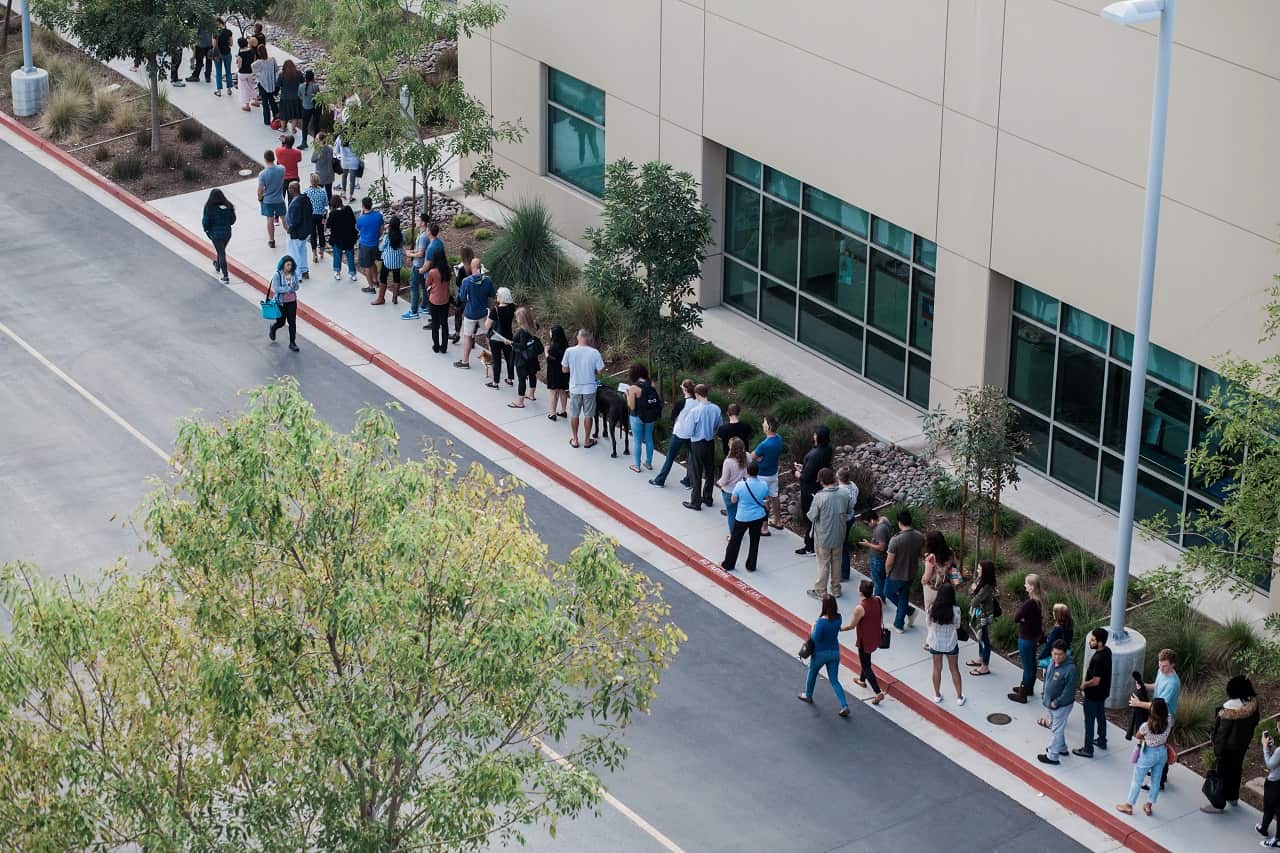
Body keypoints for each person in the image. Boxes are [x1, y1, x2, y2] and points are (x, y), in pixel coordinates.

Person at [1201, 675, 1259, 813]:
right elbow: (1254, 723)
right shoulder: (1252, 705)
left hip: (1227, 749)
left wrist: (1217, 750)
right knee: (1236, 771)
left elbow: (1221, 734)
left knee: (1222, 775)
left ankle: (1218, 805)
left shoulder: (1228, 710)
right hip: (1242, 746)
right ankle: (1233, 798)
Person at [1130, 647, 1181, 794]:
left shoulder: (1173, 683)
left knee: (1161, 748)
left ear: (1173, 665)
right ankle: (1156, 775)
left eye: (1165, 666)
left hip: (1165, 718)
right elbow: (1157, 686)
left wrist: (1138, 703)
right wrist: (1145, 686)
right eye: (1160, 665)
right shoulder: (1162, 671)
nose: (1161, 668)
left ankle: (1160, 781)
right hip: (1156, 714)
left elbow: (1160, 706)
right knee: (1156, 746)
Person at [797, 594, 849, 717]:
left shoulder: (821, 622)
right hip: (834, 652)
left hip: (820, 653)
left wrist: (812, 628)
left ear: (824, 606)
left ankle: (808, 695)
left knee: (812, 672)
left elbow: (815, 638)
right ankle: (844, 705)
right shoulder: (839, 618)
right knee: (834, 680)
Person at [1117, 698, 1170, 816]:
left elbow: (1138, 735)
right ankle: (1148, 805)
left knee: (1137, 780)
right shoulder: (1169, 720)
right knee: (1156, 780)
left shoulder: (1146, 726)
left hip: (1149, 753)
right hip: (1162, 752)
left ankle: (1129, 805)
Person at [805, 468, 851, 599]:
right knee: (837, 562)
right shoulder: (844, 493)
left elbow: (811, 516)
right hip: (839, 535)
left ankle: (820, 591)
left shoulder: (820, 497)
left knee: (823, 564)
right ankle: (836, 590)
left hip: (823, 537)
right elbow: (848, 510)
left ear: (821, 481)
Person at [841, 580, 886, 705]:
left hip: (864, 639)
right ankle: (862, 680)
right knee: (866, 659)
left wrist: (839, 628)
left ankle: (878, 692)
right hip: (875, 635)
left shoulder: (860, 608)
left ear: (860, 592)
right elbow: (880, 616)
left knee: (866, 665)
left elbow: (851, 626)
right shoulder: (878, 600)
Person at [720, 462, 768, 573]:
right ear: (757, 472)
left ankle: (728, 564)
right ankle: (751, 565)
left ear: (747, 472)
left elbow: (733, 500)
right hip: (758, 516)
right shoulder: (764, 485)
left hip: (743, 517)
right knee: (754, 541)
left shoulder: (741, 485)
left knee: (735, 541)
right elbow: (765, 500)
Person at [561, 329, 605, 448]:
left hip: (575, 388)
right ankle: (586, 440)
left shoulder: (569, 351)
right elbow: (600, 371)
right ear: (588, 338)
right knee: (588, 415)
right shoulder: (594, 352)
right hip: (589, 388)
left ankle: (575, 439)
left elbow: (564, 369)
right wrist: (592, 371)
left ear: (578, 338)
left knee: (574, 414)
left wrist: (574, 370)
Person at [1071, 628, 1112, 758]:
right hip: (1103, 693)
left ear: (1100, 643)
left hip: (1093, 695)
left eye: (1093, 640)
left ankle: (1088, 749)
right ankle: (1101, 740)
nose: (1090, 641)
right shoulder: (1107, 651)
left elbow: (1096, 680)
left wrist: (1084, 684)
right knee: (1101, 716)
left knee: (1089, 722)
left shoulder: (1098, 659)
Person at [793, 425, 833, 554]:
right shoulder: (827, 450)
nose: (813, 435)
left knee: (810, 517)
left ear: (818, 437)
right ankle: (814, 542)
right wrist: (805, 467)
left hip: (809, 489)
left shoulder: (815, 454)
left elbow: (806, 476)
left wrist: (799, 473)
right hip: (820, 486)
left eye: (815, 434)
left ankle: (810, 545)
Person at [1008, 574, 1048, 704]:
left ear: (1031, 587)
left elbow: (1016, 618)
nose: (1024, 586)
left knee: (1027, 667)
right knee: (1031, 664)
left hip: (1026, 638)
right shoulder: (1040, 600)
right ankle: (1028, 688)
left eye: (1026, 584)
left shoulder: (1030, 603)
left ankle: (1023, 694)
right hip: (1035, 637)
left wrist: (1023, 620)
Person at [1035, 641, 1076, 765]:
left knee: (1056, 730)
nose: (1057, 657)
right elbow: (1047, 679)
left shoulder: (1070, 669)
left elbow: (1069, 691)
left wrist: (1056, 702)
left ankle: (1052, 756)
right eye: (1055, 654)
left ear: (1065, 654)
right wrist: (1045, 695)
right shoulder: (1052, 662)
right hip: (1050, 702)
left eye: (1060, 654)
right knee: (1057, 727)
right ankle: (1062, 748)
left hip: (1061, 705)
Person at [682, 385, 722, 511]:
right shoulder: (716, 409)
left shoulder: (695, 411)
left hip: (698, 444)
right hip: (710, 443)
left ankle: (696, 501)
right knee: (710, 471)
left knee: (696, 472)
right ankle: (708, 498)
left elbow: (689, 431)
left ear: (697, 394)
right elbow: (719, 426)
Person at [884, 509, 924, 632]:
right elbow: (922, 554)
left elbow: (889, 562)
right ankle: (899, 623)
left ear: (899, 522)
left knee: (888, 592)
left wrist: (887, 572)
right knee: (903, 596)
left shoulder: (895, 540)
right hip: (911, 573)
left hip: (896, 575)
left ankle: (909, 612)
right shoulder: (919, 536)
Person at [650, 380, 695, 488]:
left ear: (684, 389)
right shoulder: (698, 402)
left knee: (670, 457)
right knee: (692, 458)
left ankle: (660, 480)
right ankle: (688, 480)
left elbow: (672, 416)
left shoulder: (681, 403)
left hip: (679, 433)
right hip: (692, 434)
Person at [454, 258, 495, 369]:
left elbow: (462, 297)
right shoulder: (488, 280)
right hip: (483, 313)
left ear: (472, 268)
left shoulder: (466, 281)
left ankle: (465, 362)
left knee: (467, 337)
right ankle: (493, 359)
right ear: (480, 267)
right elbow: (492, 294)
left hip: (470, 313)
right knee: (488, 335)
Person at [750, 416, 784, 534]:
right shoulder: (779, 439)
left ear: (768, 427)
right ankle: (777, 521)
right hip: (773, 473)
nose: (762, 424)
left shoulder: (764, 445)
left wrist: (759, 459)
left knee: (764, 500)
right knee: (774, 497)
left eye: (764, 423)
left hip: (762, 475)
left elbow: (752, 457)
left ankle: (764, 527)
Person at [626, 363, 662, 473]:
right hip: (651, 416)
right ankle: (648, 463)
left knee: (637, 441)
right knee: (649, 438)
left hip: (637, 417)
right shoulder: (651, 383)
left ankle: (636, 465)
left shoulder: (633, 388)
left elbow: (632, 406)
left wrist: (627, 394)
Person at [966, 559, 998, 676]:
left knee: (984, 639)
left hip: (983, 615)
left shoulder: (987, 586)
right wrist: (973, 590)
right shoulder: (980, 580)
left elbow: (975, 601)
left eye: (980, 569)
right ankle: (981, 658)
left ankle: (985, 666)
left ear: (986, 571)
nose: (978, 570)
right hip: (978, 613)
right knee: (980, 637)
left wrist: (974, 590)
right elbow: (970, 591)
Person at [201, 188, 235, 284]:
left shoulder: (209, 208)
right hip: (227, 233)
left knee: (221, 253)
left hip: (215, 234)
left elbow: (205, 221)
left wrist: (206, 230)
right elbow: (232, 220)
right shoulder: (229, 206)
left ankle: (225, 276)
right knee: (221, 250)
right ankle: (218, 265)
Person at [267, 255, 301, 352]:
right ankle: (273, 328)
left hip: (292, 302)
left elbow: (297, 287)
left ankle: (292, 343)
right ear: (283, 265)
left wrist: (294, 286)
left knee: (292, 322)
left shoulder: (294, 274)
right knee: (281, 322)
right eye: (287, 265)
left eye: (291, 265)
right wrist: (288, 288)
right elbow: (277, 289)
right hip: (281, 303)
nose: (289, 267)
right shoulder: (278, 275)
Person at [484, 287, 516, 387]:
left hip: (496, 338)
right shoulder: (512, 308)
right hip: (508, 337)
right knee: (509, 358)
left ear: (502, 297)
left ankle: (495, 382)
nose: (496, 295)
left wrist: (489, 314)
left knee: (496, 360)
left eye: (498, 294)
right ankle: (510, 379)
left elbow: (487, 326)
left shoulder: (495, 310)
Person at [509, 306, 542, 405]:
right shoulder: (533, 327)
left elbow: (522, 346)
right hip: (532, 357)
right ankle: (531, 394)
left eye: (517, 317)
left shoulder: (522, 331)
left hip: (522, 359)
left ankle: (520, 401)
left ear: (521, 319)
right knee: (532, 374)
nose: (516, 319)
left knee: (522, 379)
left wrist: (511, 343)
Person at [715, 437, 748, 535]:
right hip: (741, 490)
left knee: (731, 514)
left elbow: (724, 480)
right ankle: (740, 532)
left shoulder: (728, 462)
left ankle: (733, 536)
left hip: (729, 492)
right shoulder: (746, 456)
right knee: (739, 513)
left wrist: (718, 483)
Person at [403, 211, 432, 321]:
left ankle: (414, 311)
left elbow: (421, 253)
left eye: (418, 220)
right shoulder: (422, 234)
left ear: (423, 223)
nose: (416, 222)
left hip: (418, 266)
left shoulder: (423, 236)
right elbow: (420, 250)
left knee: (414, 287)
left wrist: (410, 254)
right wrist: (413, 251)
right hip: (421, 265)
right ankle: (424, 306)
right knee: (423, 286)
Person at [921, 530, 956, 617]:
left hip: (933, 589)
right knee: (946, 614)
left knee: (931, 614)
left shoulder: (931, 558)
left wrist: (922, 581)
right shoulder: (950, 553)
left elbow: (927, 577)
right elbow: (954, 569)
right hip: (947, 588)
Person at [451, 246, 481, 344]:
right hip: (475, 296)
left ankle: (457, 334)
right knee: (474, 317)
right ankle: (472, 337)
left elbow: (458, 283)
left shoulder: (462, 269)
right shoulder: (477, 267)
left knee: (458, 313)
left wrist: (456, 275)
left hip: (463, 295)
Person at [256, 150, 286, 249]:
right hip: (279, 199)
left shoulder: (262, 174)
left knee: (270, 219)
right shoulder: (282, 169)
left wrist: (260, 198)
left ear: (265, 159)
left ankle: (272, 240)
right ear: (274, 158)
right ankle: (290, 233)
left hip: (268, 200)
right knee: (284, 217)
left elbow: (260, 190)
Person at [283, 181, 313, 280]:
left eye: (289, 188)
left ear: (293, 190)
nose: (288, 190)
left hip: (296, 233)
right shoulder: (306, 199)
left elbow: (296, 220)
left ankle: (297, 275)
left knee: (294, 253)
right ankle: (305, 271)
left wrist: (290, 228)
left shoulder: (296, 204)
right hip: (304, 232)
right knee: (302, 251)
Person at [859, 509, 891, 598]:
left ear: (872, 520)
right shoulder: (884, 523)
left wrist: (868, 544)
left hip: (878, 559)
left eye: (867, 523)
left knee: (878, 582)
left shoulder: (879, 529)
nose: (867, 526)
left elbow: (882, 547)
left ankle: (879, 600)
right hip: (880, 558)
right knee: (881, 580)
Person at [425, 254, 453, 354]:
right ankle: (444, 347)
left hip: (434, 300)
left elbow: (427, 284)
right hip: (445, 299)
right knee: (444, 324)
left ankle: (436, 346)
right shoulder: (448, 270)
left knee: (435, 325)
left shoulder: (432, 272)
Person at [373, 215, 405, 305]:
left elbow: (381, 247)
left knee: (383, 278)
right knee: (396, 277)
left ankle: (381, 298)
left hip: (387, 260)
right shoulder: (402, 234)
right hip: (397, 260)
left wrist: (384, 233)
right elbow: (403, 244)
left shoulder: (387, 236)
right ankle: (395, 298)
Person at [355, 197, 384, 295]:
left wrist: (362, 214)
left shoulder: (361, 219)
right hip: (375, 243)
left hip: (365, 245)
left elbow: (357, 228)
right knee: (373, 262)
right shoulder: (378, 216)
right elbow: (381, 230)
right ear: (371, 204)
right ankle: (376, 280)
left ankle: (371, 287)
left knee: (367, 266)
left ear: (363, 206)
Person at [836, 467, 859, 581]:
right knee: (843, 544)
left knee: (841, 546)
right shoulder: (853, 486)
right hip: (851, 517)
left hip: (842, 520)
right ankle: (843, 570)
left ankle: (843, 573)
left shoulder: (841, 491)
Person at [327, 195, 357, 281]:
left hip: (337, 238)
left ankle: (337, 272)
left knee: (337, 255)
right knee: (350, 256)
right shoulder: (348, 209)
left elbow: (328, 225)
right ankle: (352, 273)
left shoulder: (333, 214)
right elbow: (353, 220)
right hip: (349, 237)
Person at [544, 325, 570, 420]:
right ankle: (563, 410)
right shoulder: (566, 346)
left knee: (553, 392)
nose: (549, 333)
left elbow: (551, 360)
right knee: (563, 391)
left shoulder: (554, 346)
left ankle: (552, 413)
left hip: (554, 372)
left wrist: (546, 351)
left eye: (551, 332)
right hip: (564, 372)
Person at [1258, 731, 1280, 846]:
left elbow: (1270, 765)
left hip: (1275, 783)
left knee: (1269, 807)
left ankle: (1277, 839)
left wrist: (1265, 747)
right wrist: (1274, 748)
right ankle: (1263, 828)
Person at [1038, 603, 1074, 669]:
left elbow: (1049, 644)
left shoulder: (1057, 629)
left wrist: (1041, 656)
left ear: (1059, 615)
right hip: (1064, 652)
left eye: (1054, 611)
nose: (1053, 613)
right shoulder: (1069, 626)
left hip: (1054, 655)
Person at [304, 174, 329, 263]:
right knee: (321, 233)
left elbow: (304, 205)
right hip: (320, 215)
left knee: (313, 234)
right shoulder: (323, 191)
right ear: (318, 181)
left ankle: (314, 254)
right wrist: (325, 216)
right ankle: (321, 251)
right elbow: (326, 205)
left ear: (311, 181)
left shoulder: (307, 192)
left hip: (311, 216)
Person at [252, 44, 278, 126]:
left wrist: (258, 74)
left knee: (265, 103)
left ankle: (267, 120)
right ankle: (276, 116)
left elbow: (252, 68)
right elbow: (276, 69)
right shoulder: (273, 60)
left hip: (262, 84)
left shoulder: (259, 62)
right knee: (272, 100)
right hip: (271, 84)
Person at [276, 60, 303, 135]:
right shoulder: (298, 74)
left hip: (285, 98)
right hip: (296, 97)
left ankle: (282, 128)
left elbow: (278, 86)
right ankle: (293, 129)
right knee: (294, 114)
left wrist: (275, 93)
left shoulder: (282, 75)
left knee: (283, 114)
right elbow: (303, 82)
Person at [212, 19, 234, 97]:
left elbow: (214, 46)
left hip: (218, 55)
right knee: (228, 71)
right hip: (227, 53)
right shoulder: (229, 32)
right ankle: (229, 90)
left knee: (218, 72)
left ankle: (219, 91)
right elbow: (231, 44)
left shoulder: (215, 33)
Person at [310, 131, 334, 200]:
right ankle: (331, 206)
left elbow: (313, 159)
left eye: (317, 139)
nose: (315, 140)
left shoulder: (318, 150)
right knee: (329, 192)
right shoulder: (330, 148)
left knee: (318, 193)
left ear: (321, 140)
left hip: (320, 175)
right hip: (329, 174)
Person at [235, 37, 256, 112]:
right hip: (250, 72)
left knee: (243, 89)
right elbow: (254, 61)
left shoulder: (240, 53)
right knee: (251, 86)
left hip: (243, 73)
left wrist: (237, 61)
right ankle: (255, 100)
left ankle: (246, 105)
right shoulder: (252, 51)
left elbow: (239, 65)